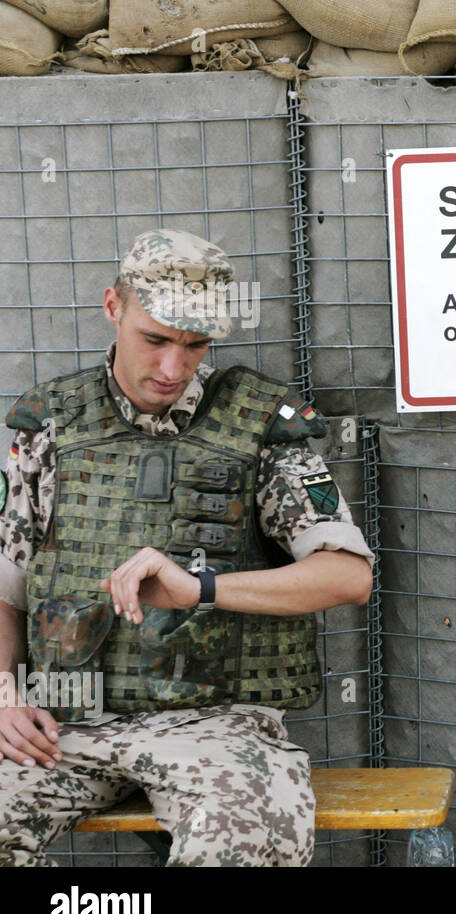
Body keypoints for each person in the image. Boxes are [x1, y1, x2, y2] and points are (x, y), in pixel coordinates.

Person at [0, 229, 374, 866]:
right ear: (113, 306)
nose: (173, 369)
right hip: (66, 721)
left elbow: (346, 576)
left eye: (194, 346)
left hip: (216, 726)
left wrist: (200, 588)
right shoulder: (50, 426)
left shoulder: (261, 427)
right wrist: (4, 694)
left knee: (247, 838)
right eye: (155, 339)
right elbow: (6, 591)